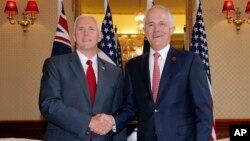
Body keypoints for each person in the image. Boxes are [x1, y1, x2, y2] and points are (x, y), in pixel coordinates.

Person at [94, 5, 214, 141]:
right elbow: (130, 107)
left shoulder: (189, 61)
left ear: (172, 29)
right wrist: (112, 120)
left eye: (162, 24)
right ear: (145, 31)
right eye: (151, 25)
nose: (156, 29)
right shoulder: (133, 66)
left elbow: (203, 110)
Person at [39, 14, 126, 141]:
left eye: (91, 29)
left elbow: (117, 114)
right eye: (81, 29)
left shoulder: (115, 72)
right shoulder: (55, 65)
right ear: (74, 36)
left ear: (100, 36)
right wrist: (88, 122)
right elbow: (49, 104)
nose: (86, 33)